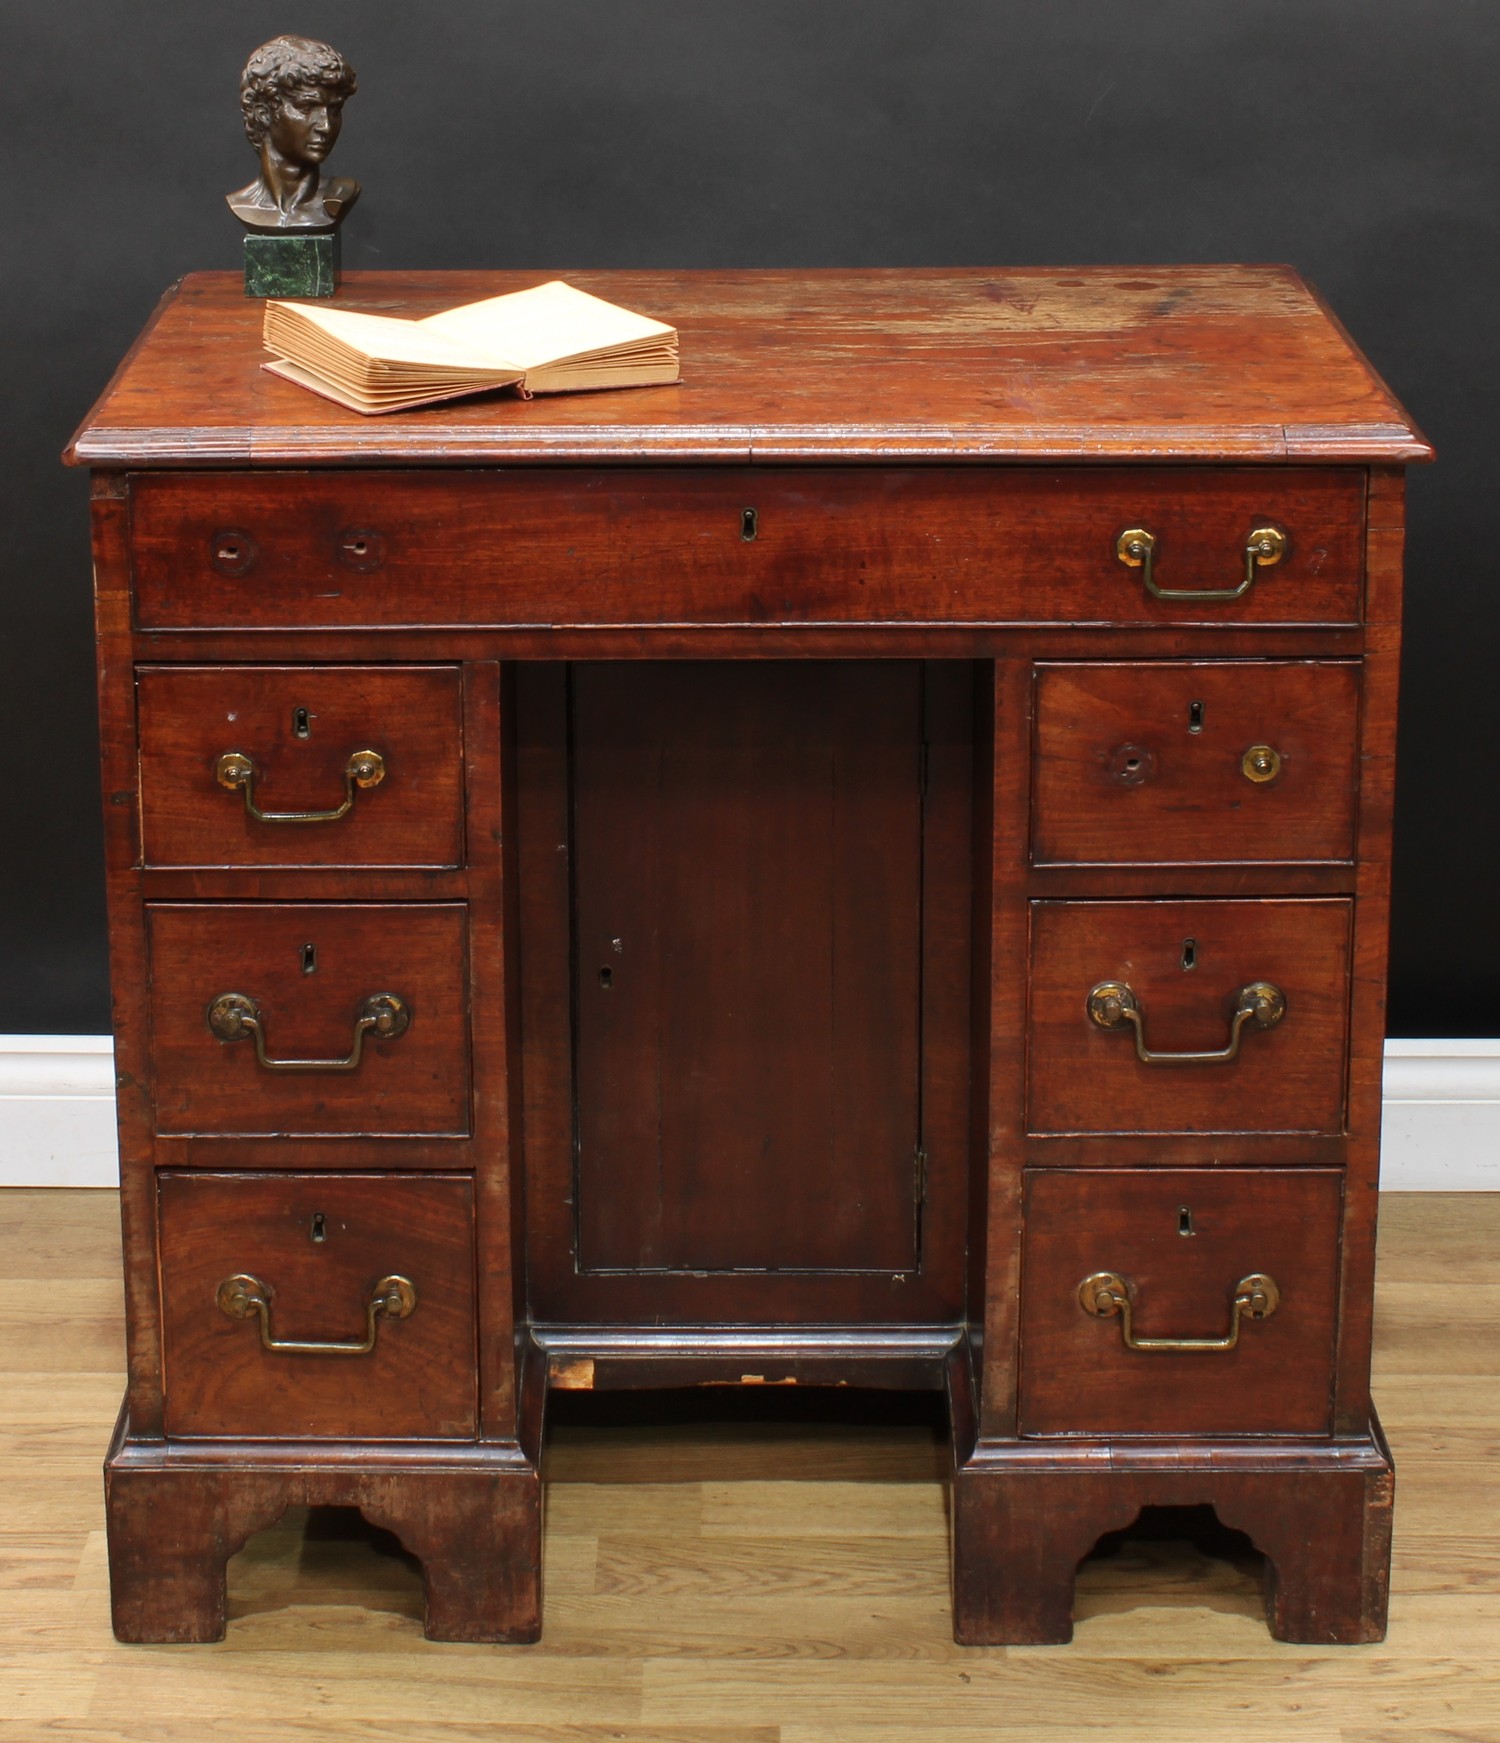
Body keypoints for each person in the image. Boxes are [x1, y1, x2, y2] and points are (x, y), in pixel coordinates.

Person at [226, 35, 359, 232]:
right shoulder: (242, 204)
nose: (326, 126)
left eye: (334, 110)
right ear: (264, 113)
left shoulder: (341, 196)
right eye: (306, 107)